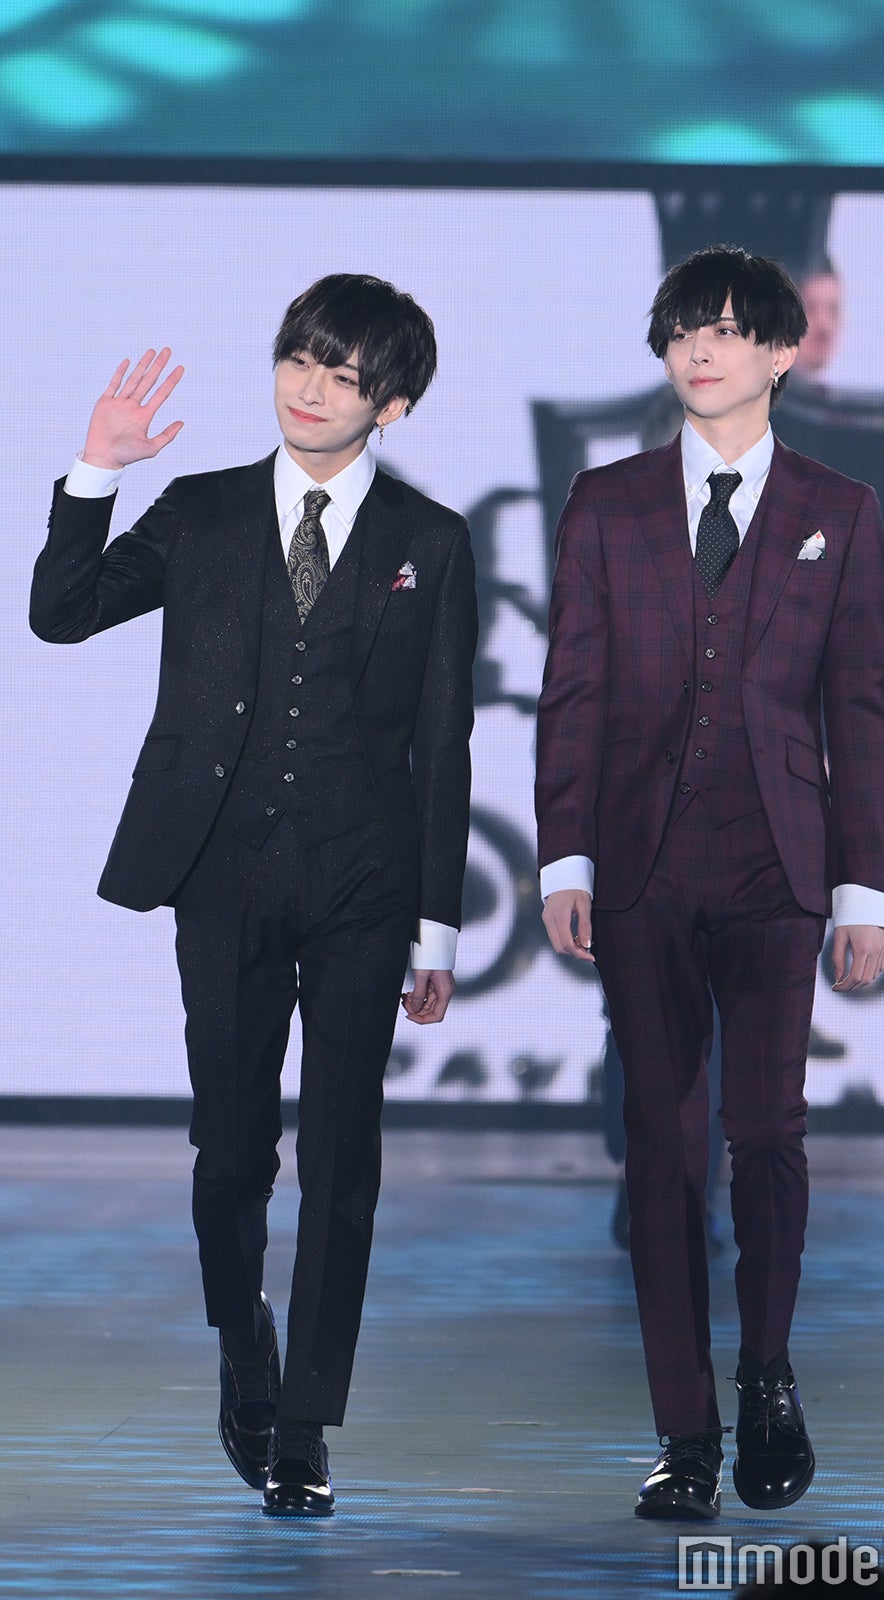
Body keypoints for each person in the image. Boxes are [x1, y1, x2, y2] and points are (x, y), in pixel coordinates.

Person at [30, 274, 478, 1518]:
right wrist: (95, 468)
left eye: (342, 375)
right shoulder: (205, 509)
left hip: (365, 881)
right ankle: (244, 1340)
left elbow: (444, 742)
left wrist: (437, 922)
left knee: (342, 1154)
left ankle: (305, 1422)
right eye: (298, 359)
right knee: (230, 1147)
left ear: (391, 405)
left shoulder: (431, 540)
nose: (309, 389)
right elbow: (60, 616)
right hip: (221, 871)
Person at [536, 245, 884, 1521]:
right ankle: (683, 1432)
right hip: (639, 864)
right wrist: (564, 855)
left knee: (768, 1134)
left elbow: (859, 706)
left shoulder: (841, 509)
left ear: (784, 354)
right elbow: (571, 688)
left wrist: (863, 889)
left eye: (733, 330)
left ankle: (766, 1372)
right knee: (663, 1148)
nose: (703, 348)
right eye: (686, 327)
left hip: (778, 864)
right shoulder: (607, 502)